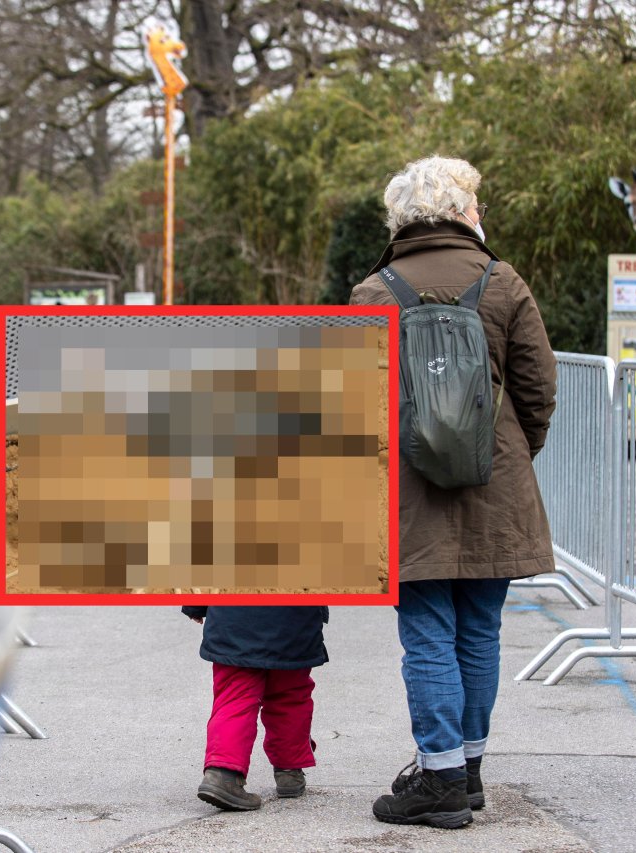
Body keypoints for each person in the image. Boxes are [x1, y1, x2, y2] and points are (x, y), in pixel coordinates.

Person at [349, 156, 557, 829]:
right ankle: (466, 773)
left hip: (410, 492)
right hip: (496, 484)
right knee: (480, 629)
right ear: (463, 210)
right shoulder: (502, 284)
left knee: (427, 630)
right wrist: (512, 454)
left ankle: (436, 775)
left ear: (402, 218)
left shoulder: (374, 293)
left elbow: (355, 406)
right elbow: (538, 387)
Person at [182, 605, 328, 811]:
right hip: (294, 622)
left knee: (235, 698)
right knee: (290, 696)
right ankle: (289, 770)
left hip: (232, 622)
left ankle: (223, 773)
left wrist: (195, 605)